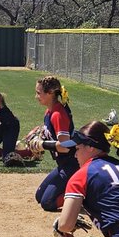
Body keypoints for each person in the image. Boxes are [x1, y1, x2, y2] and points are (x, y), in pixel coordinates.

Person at [33, 75, 76, 211]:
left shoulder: (58, 114)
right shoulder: (49, 112)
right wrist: (37, 132)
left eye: (39, 93)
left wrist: (41, 144)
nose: (36, 96)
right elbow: (49, 130)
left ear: (50, 93)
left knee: (48, 203)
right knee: (39, 196)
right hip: (63, 165)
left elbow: (65, 147)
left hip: (72, 165)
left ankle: (83, 196)